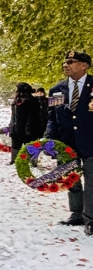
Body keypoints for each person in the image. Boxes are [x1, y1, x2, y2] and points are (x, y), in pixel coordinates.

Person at [45, 51, 93, 232]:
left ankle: (90, 219)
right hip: (66, 143)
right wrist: (50, 139)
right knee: (71, 179)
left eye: (71, 62)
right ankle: (76, 214)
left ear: (84, 65)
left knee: (91, 181)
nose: (66, 65)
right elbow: (52, 118)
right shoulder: (57, 89)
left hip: (90, 142)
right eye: (64, 62)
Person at [9, 82, 45, 164]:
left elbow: (34, 117)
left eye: (17, 89)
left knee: (30, 147)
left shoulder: (33, 101)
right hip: (17, 129)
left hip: (29, 129)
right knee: (16, 146)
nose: (15, 91)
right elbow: (14, 116)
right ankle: (14, 161)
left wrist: (29, 129)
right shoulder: (16, 101)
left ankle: (32, 161)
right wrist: (11, 127)